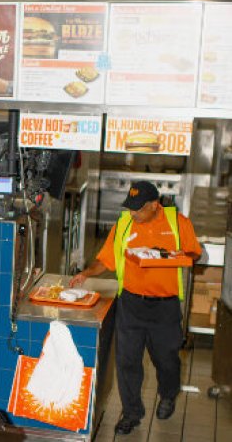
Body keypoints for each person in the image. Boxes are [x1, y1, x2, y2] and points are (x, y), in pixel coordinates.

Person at [69, 181, 201, 435]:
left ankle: (168, 394)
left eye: (138, 209)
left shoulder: (178, 223)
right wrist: (86, 273)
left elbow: (194, 253)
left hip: (165, 307)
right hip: (131, 304)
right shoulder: (123, 225)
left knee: (167, 360)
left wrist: (174, 255)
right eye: (130, 208)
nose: (133, 213)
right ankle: (131, 413)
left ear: (155, 205)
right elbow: (106, 260)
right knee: (127, 361)